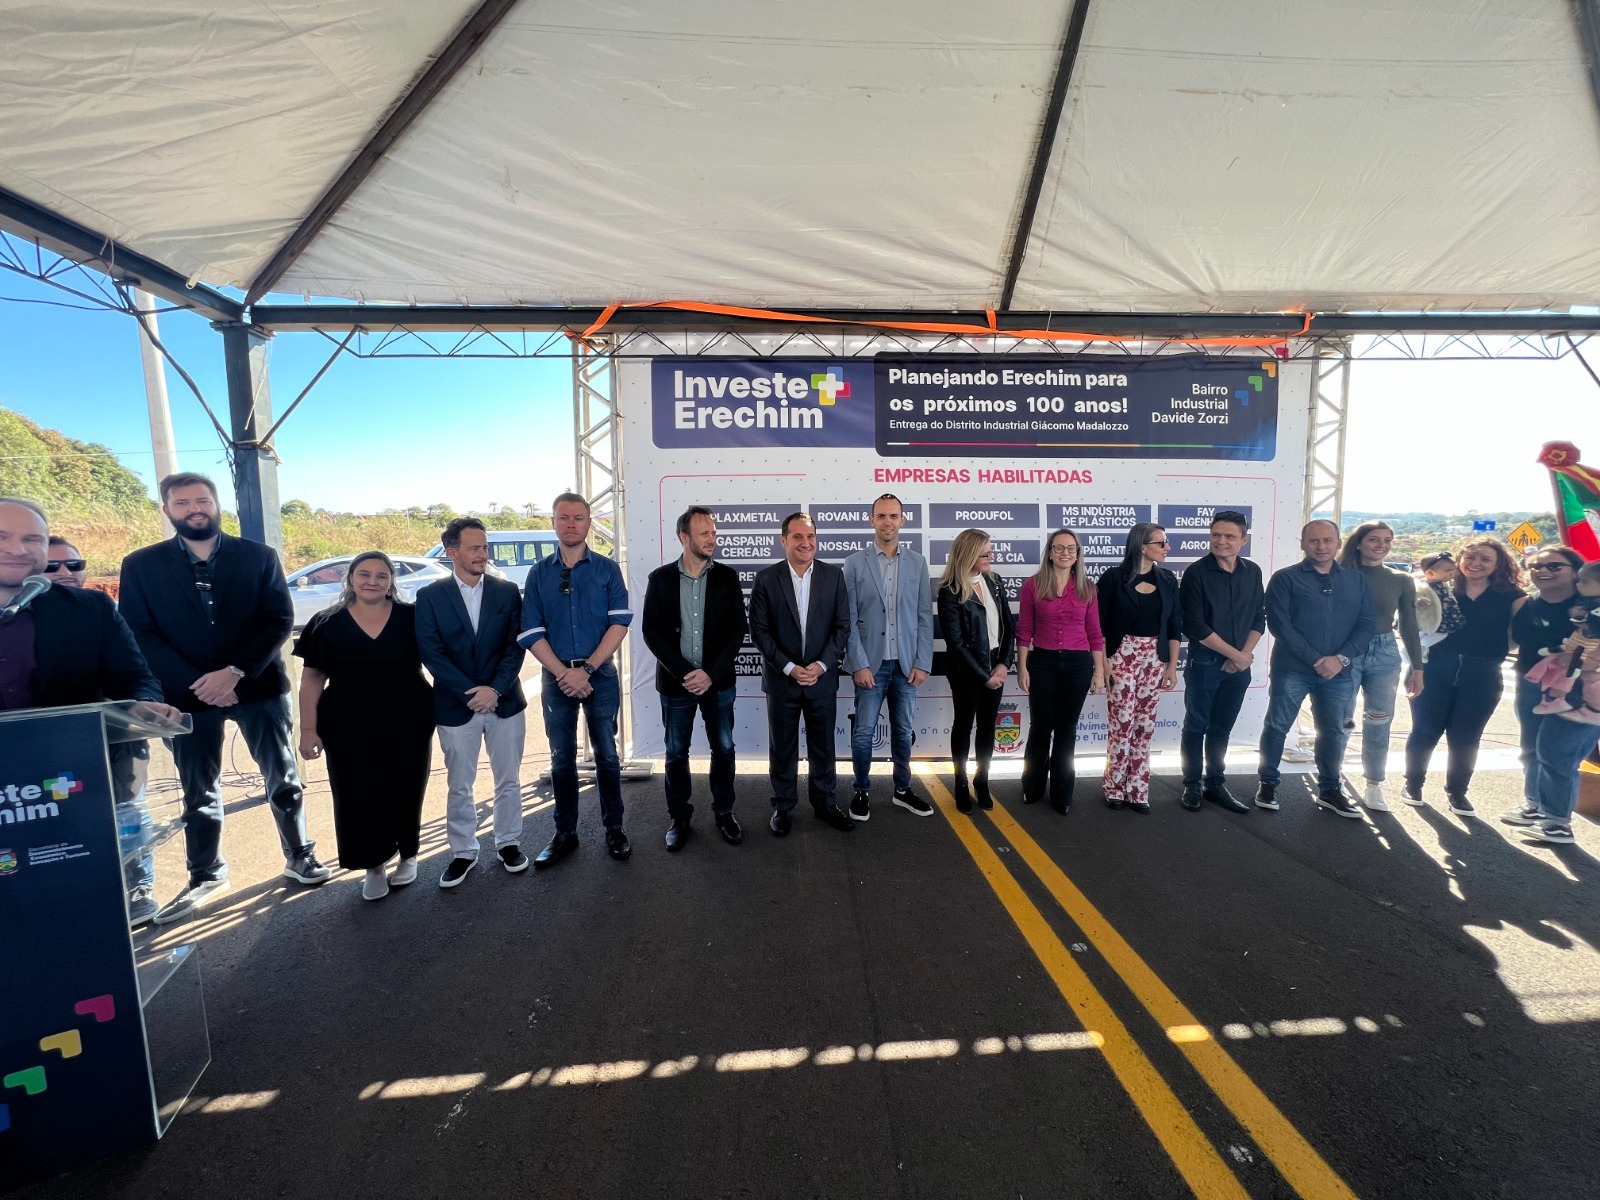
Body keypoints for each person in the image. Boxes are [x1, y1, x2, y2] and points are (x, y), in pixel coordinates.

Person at [120, 473, 330, 924]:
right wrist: (200, 683)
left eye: (202, 500)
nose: (194, 508)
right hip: (188, 696)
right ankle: (206, 873)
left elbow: (278, 619)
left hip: (257, 687)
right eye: (182, 502)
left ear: (217, 505)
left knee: (283, 777)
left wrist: (234, 671)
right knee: (197, 790)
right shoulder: (140, 565)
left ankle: (299, 855)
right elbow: (138, 631)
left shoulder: (258, 556)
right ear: (166, 510)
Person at [1, 499, 181, 927]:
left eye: (32, 539)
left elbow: (135, 677)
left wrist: (142, 703)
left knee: (76, 911)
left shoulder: (90, 610)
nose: (18, 549)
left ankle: (128, 899)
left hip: (70, 783)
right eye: (3, 537)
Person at [295, 552, 436, 901]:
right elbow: (312, 678)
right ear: (350, 578)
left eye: (381, 575)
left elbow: (441, 660)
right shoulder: (326, 622)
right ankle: (373, 865)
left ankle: (408, 854)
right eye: (364, 574)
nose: (372, 581)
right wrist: (308, 730)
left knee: (407, 785)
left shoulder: (412, 618)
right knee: (358, 792)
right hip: (347, 723)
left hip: (409, 717)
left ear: (391, 581)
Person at [519, 493, 633, 865]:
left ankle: (614, 829)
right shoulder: (538, 573)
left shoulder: (607, 569)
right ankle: (565, 833)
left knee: (608, 756)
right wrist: (563, 673)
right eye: (564, 517)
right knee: (561, 758)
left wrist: (585, 670)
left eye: (578, 518)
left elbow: (620, 623)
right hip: (557, 679)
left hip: (599, 675)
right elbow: (531, 631)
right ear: (553, 522)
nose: (571, 524)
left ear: (589, 523)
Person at [416, 517, 530, 887]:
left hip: (505, 702)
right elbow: (431, 653)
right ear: (453, 552)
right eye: (474, 548)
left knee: (508, 779)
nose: (483, 554)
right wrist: (472, 693)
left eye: (484, 547)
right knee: (460, 784)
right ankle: (463, 851)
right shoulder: (430, 597)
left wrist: (494, 690)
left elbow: (516, 645)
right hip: (455, 706)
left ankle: (509, 843)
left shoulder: (506, 591)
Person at [640, 506, 748, 850]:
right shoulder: (660, 579)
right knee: (675, 753)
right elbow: (651, 632)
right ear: (684, 538)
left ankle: (725, 813)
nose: (712, 539)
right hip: (677, 684)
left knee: (724, 749)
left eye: (713, 533)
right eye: (704, 534)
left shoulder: (727, 577)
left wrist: (710, 674)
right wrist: (686, 673)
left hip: (718, 683)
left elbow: (737, 630)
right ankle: (680, 818)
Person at [1256, 519, 1376, 818]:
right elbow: (1280, 624)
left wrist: (1340, 658)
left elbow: (1366, 624)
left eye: (1327, 540)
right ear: (1302, 544)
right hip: (1292, 669)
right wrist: (1316, 659)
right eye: (1313, 541)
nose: (1321, 546)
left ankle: (1330, 789)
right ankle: (1268, 783)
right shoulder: (1285, 578)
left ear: (1338, 543)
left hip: (1339, 672)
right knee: (1277, 726)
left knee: (1333, 731)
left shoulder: (1357, 580)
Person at [1403, 537, 1525, 816]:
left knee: (1466, 737)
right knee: (1424, 731)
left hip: (1483, 673)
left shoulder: (1513, 596)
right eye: (1470, 557)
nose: (1476, 563)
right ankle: (1413, 784)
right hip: (1434, 668)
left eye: (1485, 559)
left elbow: (1519, 637)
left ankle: (1457, 792)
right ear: (1458, 561)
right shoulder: (1438, 587)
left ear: (1498, 564)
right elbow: (1410, 624)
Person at [748, 512, 854, 835]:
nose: (805, 543)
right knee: (782, 748)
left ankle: (825, 803)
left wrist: (821, 665)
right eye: (797, 537)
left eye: (810, 537)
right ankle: (783, 806)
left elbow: (842, 627)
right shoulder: (766, 579)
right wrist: (790, 668)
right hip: (782, 680)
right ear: (784, 541)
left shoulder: (833, 576)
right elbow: (759, 631)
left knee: (824, 746)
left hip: (821, 680)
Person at [843, 494, 935, 820]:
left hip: (907, 666)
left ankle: (902, 790)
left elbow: (924, 616)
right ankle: (861, 790)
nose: (887, 522)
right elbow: (848, 619)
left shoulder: (918, 563)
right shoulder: (854, 563)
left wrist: (923, 662)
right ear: (872, 520)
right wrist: (859, 663)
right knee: (863, 733)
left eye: (893, 516)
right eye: (881, 516)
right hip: (871, 665)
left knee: (903, 732)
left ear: (902, 520)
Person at [1177, 510, 1264, 813]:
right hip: (1205, 663)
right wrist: (1235, 655)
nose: (1221, 541)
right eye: (1216, 535)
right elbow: (1194, 625)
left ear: (1243, 540)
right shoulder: (1196, 573)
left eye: (1229, 536)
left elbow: (1259, 618)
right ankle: (1191, 785)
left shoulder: (1253, 572)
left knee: (1222, 728)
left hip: (1238, 667)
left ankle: (1215, 783)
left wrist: (1243, 656)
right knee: (1196, 725)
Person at [1337, 521, 1425, 811]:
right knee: (1340, 718)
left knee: (1379, 719)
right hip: (1345, 650)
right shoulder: (1339, 574)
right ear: (1359, 542)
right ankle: (1332, 779)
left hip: (1385, 651)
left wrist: (1417, 667)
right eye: (1375, 539)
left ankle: (1374, 784)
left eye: (1387, 540)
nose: (1382, 545)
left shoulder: (1400, 579)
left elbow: (1409, 624)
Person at [1017, 528, 1105, 814]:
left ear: (1077, 554)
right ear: (1050, 553)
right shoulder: (1033, 586)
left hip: (1078, 665)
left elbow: (1095, 633)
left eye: (1070, 548)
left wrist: (1099, 672)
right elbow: (1024, 631)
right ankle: (1032, 787)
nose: (1065, 553)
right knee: (1040, 728)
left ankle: (1062, 794)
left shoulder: (1088, 588)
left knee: (1067, 730)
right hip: (1042, 662)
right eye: (1059, 548)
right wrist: (1022, 667)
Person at [1096, 522, 1180, 814]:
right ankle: (1114, 787)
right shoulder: (1113, 578)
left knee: (1145, 726)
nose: (1167, 548)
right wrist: (1104, 663)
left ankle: (1138, 790)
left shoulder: (1167, 580)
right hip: (1121, 656)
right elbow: (1098, 625)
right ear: (1142, 546)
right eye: (1161, 543)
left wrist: (1171, 666)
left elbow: (1174, 625)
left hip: (1155, 658)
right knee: (1121, 723)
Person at [1503, 545, 1584, 825]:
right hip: (1529, 681)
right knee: (1531, 746)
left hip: (1573, 687)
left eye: (1554, 566)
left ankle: (1557, 819)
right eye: (1535, 566)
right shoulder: (1525, 603)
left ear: (1576, 571)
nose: (1542, 571)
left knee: (1560, 753)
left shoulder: (1589, 606)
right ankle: (1534, 803)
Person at [937, 529, 1016, 814]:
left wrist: (1004, 664)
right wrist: (985, 677)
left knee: (987, 726)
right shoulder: (950, 591)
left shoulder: (994, 581)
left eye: (990, 552)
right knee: (963, 725)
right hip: (966, 670)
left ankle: (982, 780)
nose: (990, 558)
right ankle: (960, 782)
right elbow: (956, 643)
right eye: (985, 554)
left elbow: (1008, 627)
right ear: (969, 554)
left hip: (996, 665)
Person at [1527, 559, 1600, 717]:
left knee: (1575, 676)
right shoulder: (1585, 600)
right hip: (1577, 647)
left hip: (1586, 654)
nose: (1578, 584)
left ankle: (1564, 699)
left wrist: (1582, 620)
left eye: (1584, 582)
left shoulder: (1594, 605)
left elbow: (1591, 627)